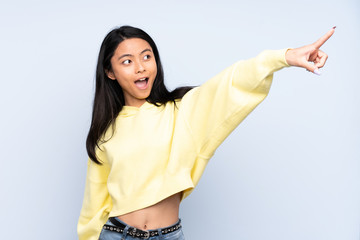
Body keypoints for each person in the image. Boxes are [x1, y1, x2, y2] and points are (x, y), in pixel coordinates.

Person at [77, 25, 335, 240]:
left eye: (147, 56)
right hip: (115, 234)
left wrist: (284, 57)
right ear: (110, 72)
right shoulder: (105, 132)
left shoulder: (181, 110)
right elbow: (93, 206)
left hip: (168, 235)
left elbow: (230, 83)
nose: (141, 67)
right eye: (127, 62)